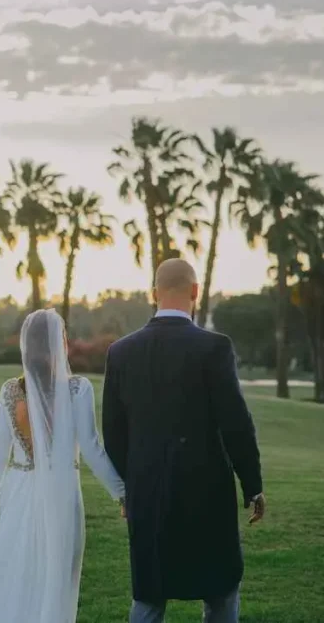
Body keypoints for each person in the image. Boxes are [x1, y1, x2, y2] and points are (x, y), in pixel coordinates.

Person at [102, 258, 265, 623]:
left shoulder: (120, 352)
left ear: (153, 294)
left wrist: (128, 488)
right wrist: (252, 485)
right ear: (195, 291)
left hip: (148, 495)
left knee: (149, 598)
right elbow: (236, 423)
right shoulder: (214, 347)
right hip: (207, 495)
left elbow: (113, 433)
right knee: (221, 593)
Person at [0, 309, 125, 623]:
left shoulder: (10, 391)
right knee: (58, 575)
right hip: (61, 492)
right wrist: (122, 493)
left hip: (17, 491)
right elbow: (91, 448)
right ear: (57, 342)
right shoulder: (78, 389)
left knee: (15, 570)